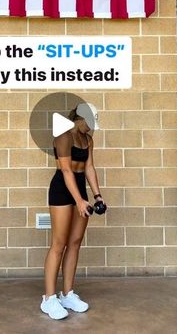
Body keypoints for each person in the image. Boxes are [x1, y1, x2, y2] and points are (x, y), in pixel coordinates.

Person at [40, 103, 106, 320]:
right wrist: (79, 200)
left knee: (75, 242)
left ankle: (67, 294)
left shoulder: (88, 140)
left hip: (80, 189)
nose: (92, 127)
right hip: (62, 189)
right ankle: (49, 299)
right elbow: (66, 170)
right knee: (59, 244)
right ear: (82, 118)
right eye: (91, 122)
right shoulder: (63, 136)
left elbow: (89, 168)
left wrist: (97, 196)